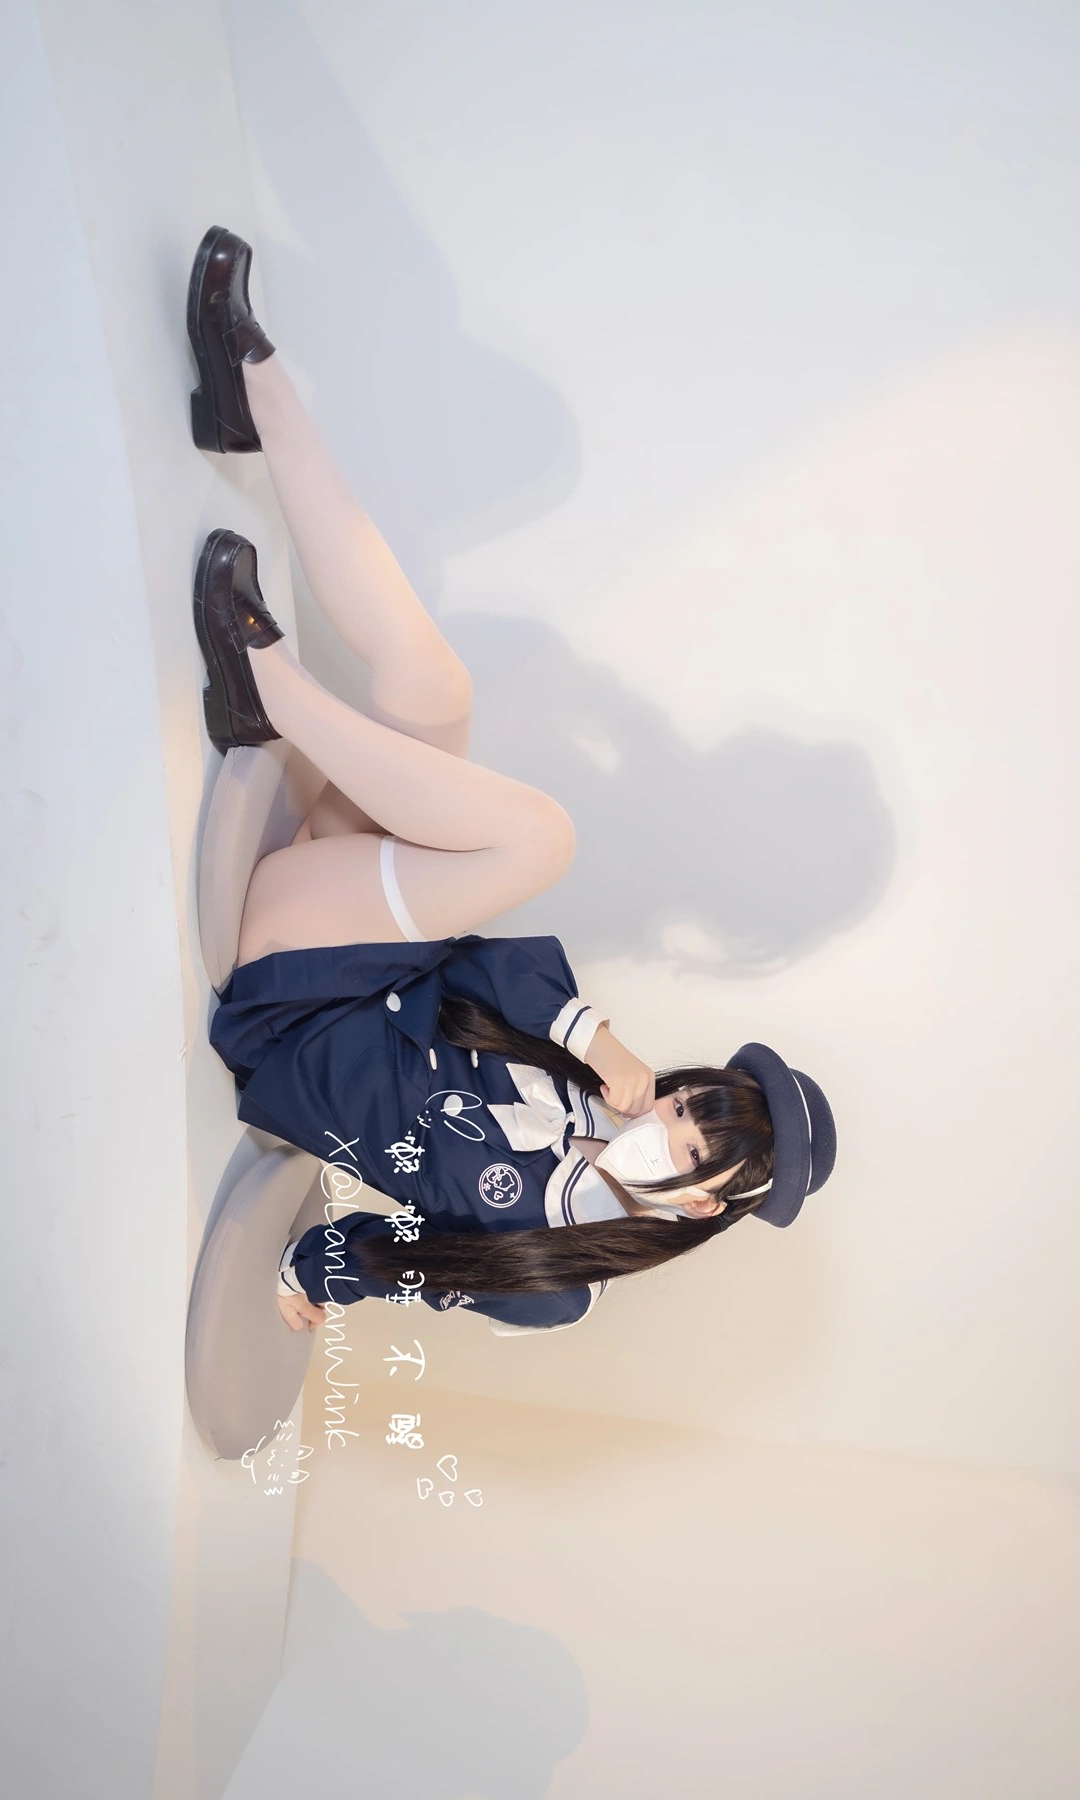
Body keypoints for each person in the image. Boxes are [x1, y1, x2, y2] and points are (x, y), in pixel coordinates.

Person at [188, 225, 838, 1338]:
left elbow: (404, 1257)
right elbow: (483, 964)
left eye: (691, 1147)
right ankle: (256, 398)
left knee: (542, 841)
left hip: (289, 1014)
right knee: (436, 688)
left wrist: (311, 1279)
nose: (665, 1126)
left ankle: (267, 687)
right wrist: (594, 1043)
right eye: (687, 1105)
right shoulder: (590, 1079)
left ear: (710, 1203)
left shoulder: (559, 1280)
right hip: (349, 944)